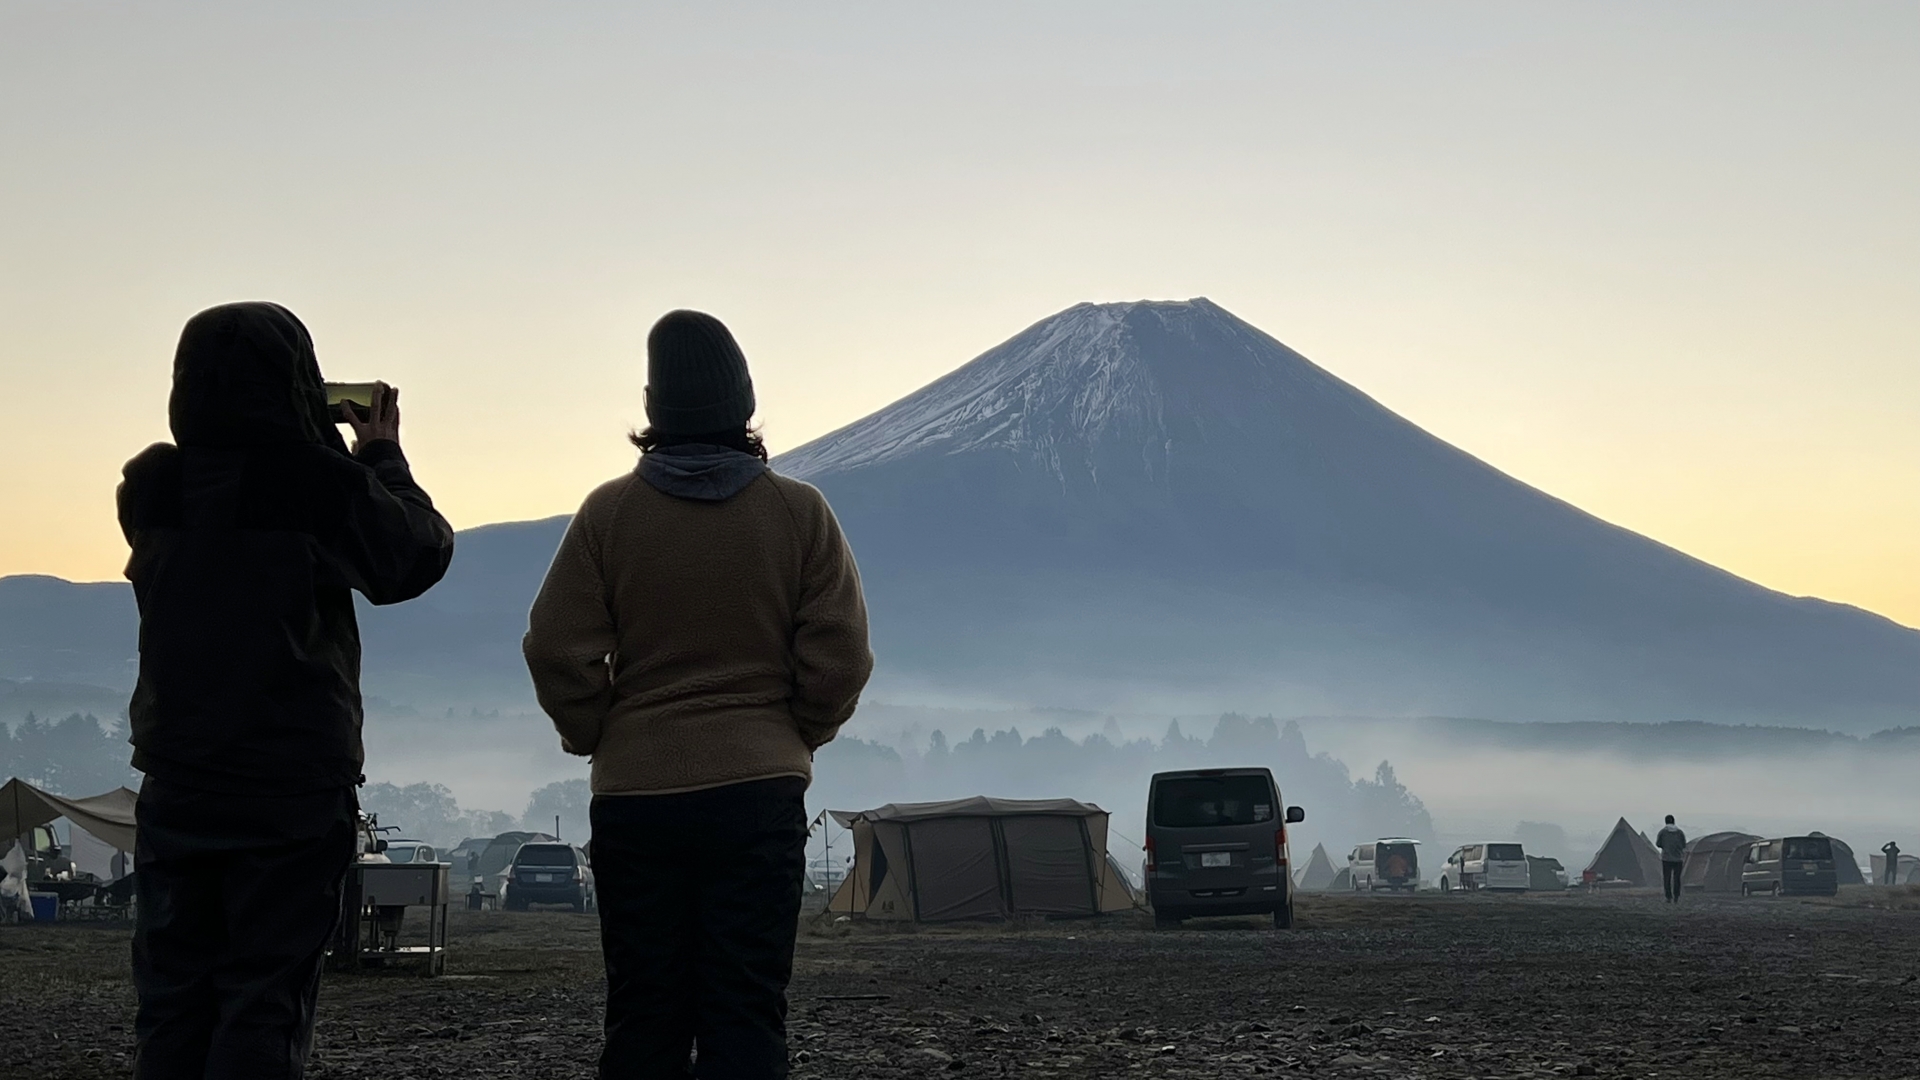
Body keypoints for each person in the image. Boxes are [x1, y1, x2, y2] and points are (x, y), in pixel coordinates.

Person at [524, 310, 873, 1079]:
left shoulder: (608, 514)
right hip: (758, 792)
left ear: (653, 407)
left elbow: (556, 647)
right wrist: (795, 731)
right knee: (745, 1010)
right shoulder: (799, 513)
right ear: (744, 401)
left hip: (637, 798)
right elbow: (840, 656)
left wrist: (597, 733)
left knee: (645, 1013)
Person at [119, 302, 455, 1078]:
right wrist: (378, 456)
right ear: (299, 383)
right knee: (263, 995)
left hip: (178, 774)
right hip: (290, 782)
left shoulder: (151, 487)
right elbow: (413, 556)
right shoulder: (314, 485)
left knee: (173, 998)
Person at [1655, 814, 1687, 903]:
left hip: (1666, 858)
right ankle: (1676, 896)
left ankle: (1668, 897)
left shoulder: (1662, 832)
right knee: (1677, 878)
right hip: (1678, 859)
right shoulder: (1680, 832)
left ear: (1666, 822)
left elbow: (1658, 844)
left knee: (1667, 878)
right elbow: (1684, 845)